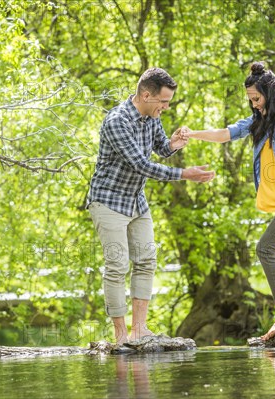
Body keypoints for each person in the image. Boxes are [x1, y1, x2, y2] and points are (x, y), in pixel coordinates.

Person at [182, 62, 275, 344]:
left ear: (270, 94)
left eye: (257, 99)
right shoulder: (260, 121)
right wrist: (193, 134)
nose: (254, 105)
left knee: (266, 248)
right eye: (250, 100)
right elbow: (227, 133)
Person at [87, 67, 215, 345]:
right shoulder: (117, 121)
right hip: (108, 200)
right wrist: (185, 175)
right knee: (117, 265)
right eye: (164, 102)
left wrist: (175, 144)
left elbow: (160, 148)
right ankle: (120, 336)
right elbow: (141, 165)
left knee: (146, 260)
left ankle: (139, 330)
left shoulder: (150, 116)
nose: (166, 108)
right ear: (146, 95)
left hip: (136, 201)